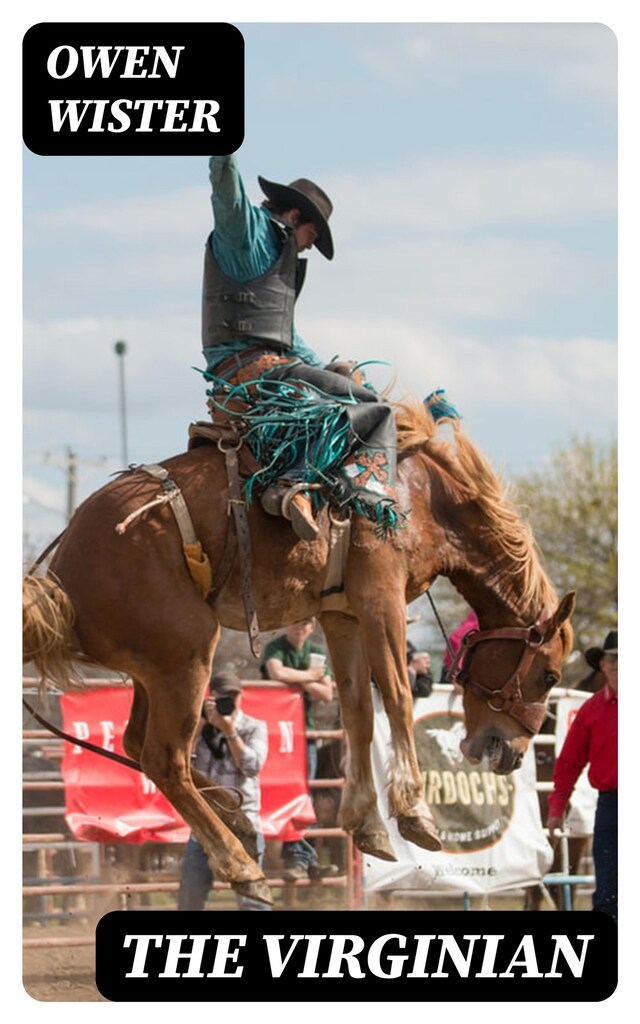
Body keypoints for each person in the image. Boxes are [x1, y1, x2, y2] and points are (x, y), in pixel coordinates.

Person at [200, 153, 402, 539]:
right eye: (312, 236)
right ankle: (297, 483)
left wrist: (329, 367)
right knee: (373, 408)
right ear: (294, 217)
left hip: (265, 369)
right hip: (259, 375)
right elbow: (226, 190)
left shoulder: (275, 256)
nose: (310, 247)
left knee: (352, 393)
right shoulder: (246, 233)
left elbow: (287, 340)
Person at [177, 671, 270, 912]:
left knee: (253, 902)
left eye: (234, 694)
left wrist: (229, 730)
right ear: (211, 697)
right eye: (223, 696)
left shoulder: (254, 727)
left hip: (243, 824)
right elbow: (178, 762)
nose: (230, 700)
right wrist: (199, 725)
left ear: (242, 696)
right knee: (190, 898)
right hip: (205, 825)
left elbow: (251, 766)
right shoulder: (197, 726)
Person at [546, 630, 618, 921]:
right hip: (611, 805)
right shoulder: (591, 710)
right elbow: (569, 763)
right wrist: (556, 808)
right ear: (602, 665)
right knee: (609, 888)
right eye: (612, 659)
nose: (617, 664)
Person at [261, 618, 339, 881]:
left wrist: (299, 680)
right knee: (283, 793)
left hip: (302, 733)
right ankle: (292, 858)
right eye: (294, 621)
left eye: (304, 622)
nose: (298, 626)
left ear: (313, 626)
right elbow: (276, 673)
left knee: (305, 795)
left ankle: (304, 859)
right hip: (275, 733)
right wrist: (311, 678)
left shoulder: (315, 651)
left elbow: (327, 694)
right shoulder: (276, 647)